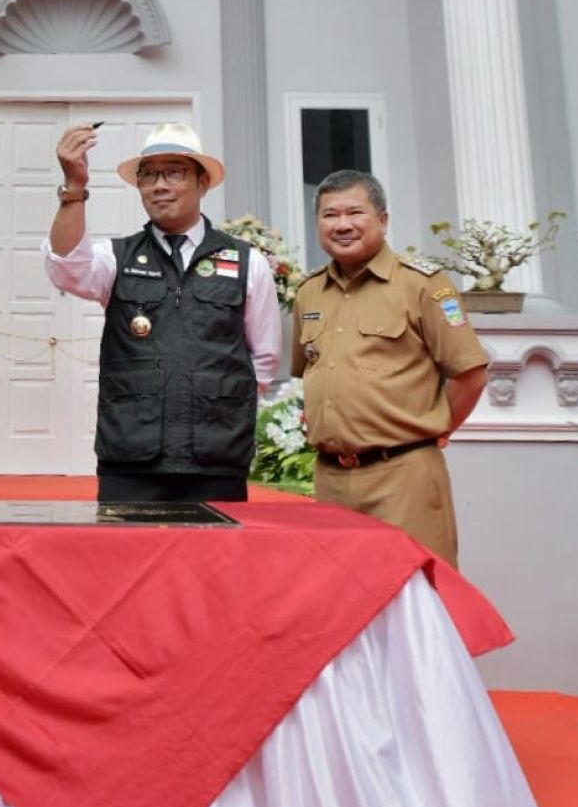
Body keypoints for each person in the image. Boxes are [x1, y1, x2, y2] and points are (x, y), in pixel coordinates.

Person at [44, 121, 280, 502]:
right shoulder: (116, 257)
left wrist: (220, 411)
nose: (159, 185)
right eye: (149, 175)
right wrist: (74, 187)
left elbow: (264, 360)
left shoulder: (246, 262)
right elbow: (65, 266)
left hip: (215, 458)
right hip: (131, 455)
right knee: (125, 560)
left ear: (203, 183)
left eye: (174, 172)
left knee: (214, 561)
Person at [290, 171, 489, 566]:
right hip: (331, 479)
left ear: (382, 220)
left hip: (403, 477)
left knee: (415, 598)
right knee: (341, 600)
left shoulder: (423, 285)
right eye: (330, 215)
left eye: (354, 213)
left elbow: (471, 374)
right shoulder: (309, 291)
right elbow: (310, 372)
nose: (342, 225)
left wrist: (438, 427)